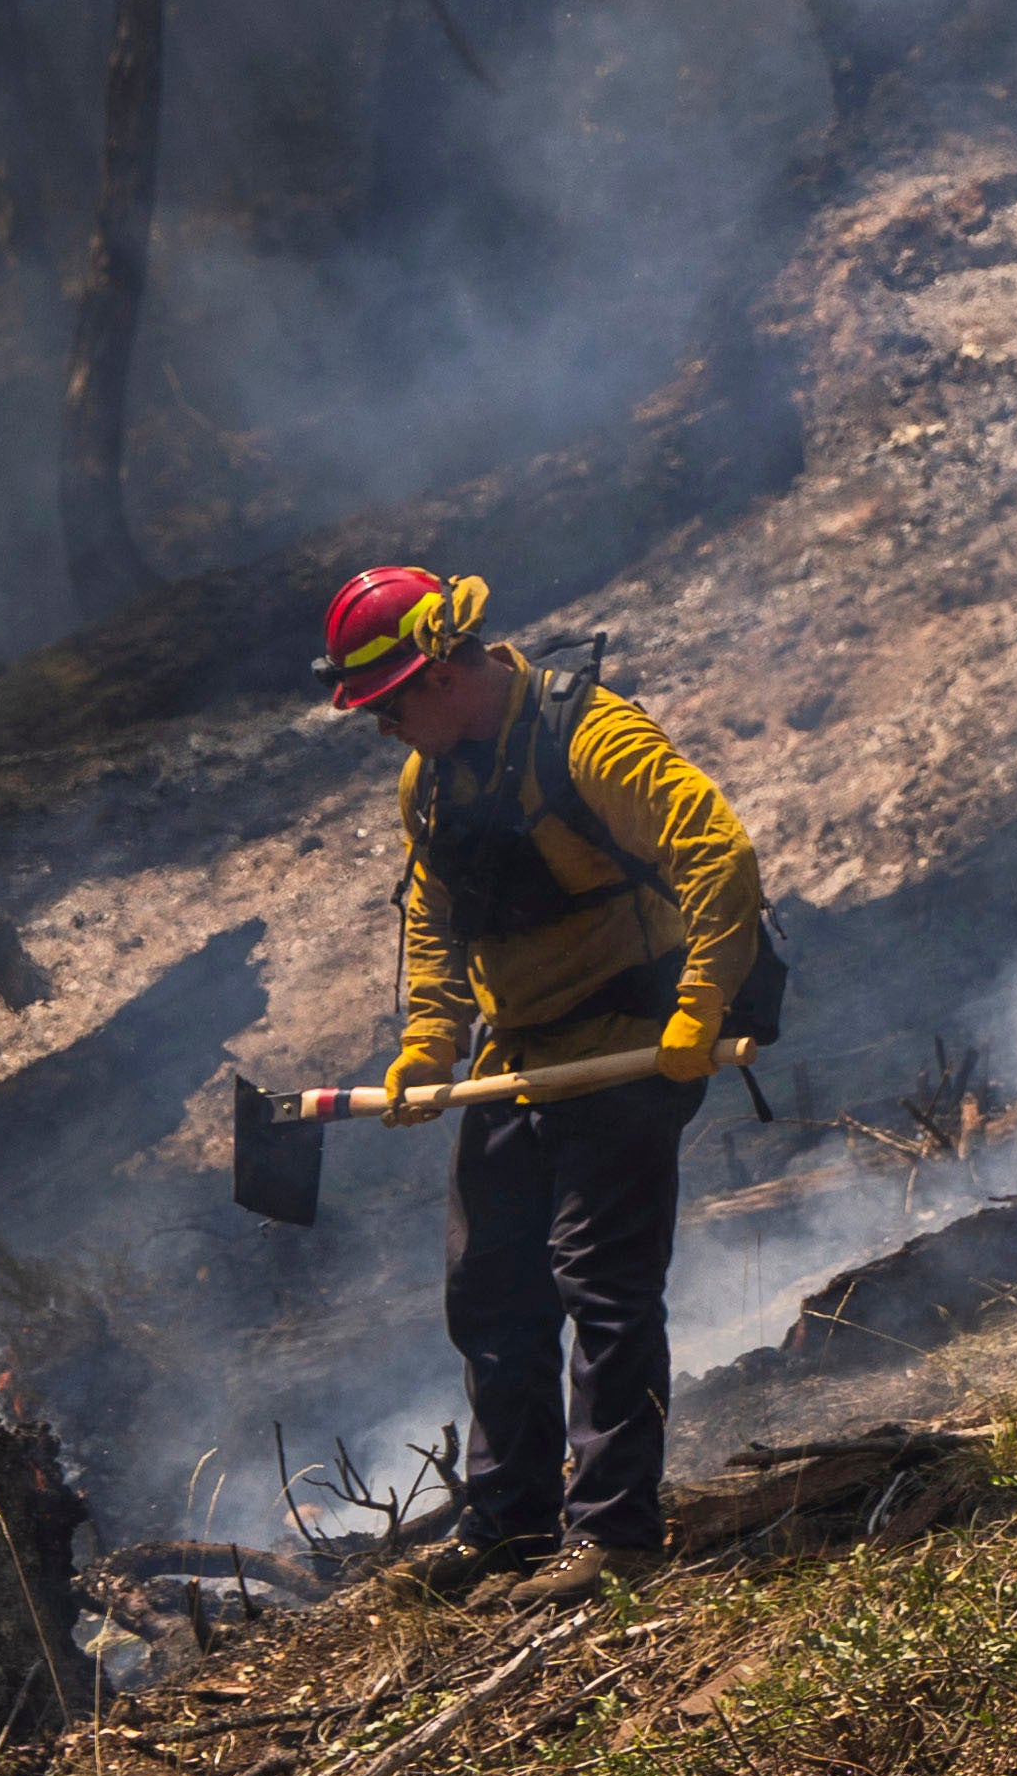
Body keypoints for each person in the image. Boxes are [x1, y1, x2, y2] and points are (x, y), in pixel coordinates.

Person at [318, 562, 772, 1601]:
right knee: (489, 1290)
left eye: (387, 708)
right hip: (517, 1057)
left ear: (440, 674)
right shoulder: (425, 778)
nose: (382, 731)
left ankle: (612, 1532)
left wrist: (699, 1009)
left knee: (599, 1286)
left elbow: (718, 855)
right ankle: (506, 1528)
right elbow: (436, 918)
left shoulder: (590, 738)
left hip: (631, 1039)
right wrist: (429, 1042)